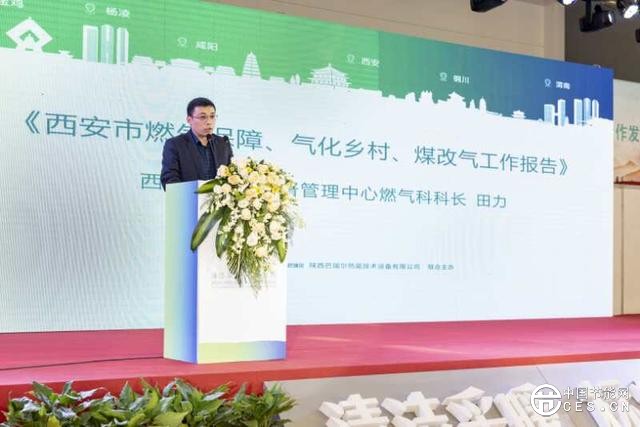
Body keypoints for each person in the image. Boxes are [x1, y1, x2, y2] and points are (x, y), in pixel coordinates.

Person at [160, 97, 233, 190]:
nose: (209, 122)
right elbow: (169, 179)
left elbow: (231, 175)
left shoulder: (223, 144)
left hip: (219, 198)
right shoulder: (175, 144)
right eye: (203, 117)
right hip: (189, 198)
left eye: (212, 116)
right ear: (189, 120)